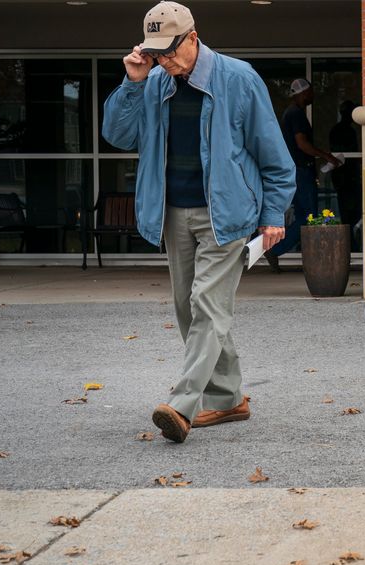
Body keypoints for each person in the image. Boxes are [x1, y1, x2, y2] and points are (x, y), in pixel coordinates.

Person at [102, 1, 296, 443]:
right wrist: (132, 82)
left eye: (170, 51)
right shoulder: (150, 82)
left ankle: (183, 404)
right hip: (172, 212)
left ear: (193, 37)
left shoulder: (239, 78)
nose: (164, 61)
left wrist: (272, 215)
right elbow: (117, 135)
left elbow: (274, 156)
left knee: (208, 304)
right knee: (189, 309)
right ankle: (228, 400)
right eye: (156, 53)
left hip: (226, 214)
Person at [266, 78, 341, 267]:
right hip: (300, 171)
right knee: (309, 217)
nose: (313, 95)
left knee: (304, 216)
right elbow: (302, 144)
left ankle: (276, 249)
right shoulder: (296, 114)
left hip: (297, 170)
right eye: (310, 91)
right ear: (304, 93)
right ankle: (276, 249)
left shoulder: (290, 113)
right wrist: (326, 156)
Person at [328, 100, 362, 251]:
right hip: (347, 179)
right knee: (350, 215)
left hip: (345, 179)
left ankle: (352, 246)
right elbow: (345, 154)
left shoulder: (340, 130)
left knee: (351, 214)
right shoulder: (343, 131)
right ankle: (350, 247)